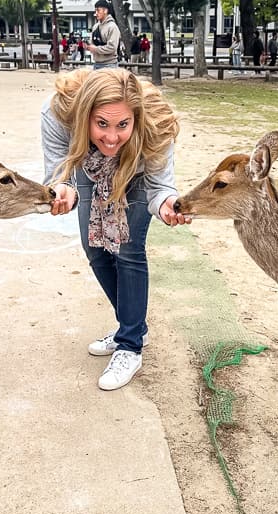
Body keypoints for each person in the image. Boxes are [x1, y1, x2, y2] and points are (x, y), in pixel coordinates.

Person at [40, 69, 191, 390]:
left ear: (135, 117)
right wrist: (61, 187)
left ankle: (130, 345)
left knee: (127, 250)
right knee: (94, 248)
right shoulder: (57, 114)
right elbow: (58, 171)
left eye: (122, 124)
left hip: (135, 171)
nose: (111, 136)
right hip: (89, 165)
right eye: (101, 124)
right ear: (83, 117)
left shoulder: (155, 122)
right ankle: (133, 325)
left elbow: (160, 185)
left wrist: (165, 202)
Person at [87, 0, 120, 69]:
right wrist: (88, 46)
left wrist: (96, 49)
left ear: (105, 11)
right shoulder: (95, 26)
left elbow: (112, 48)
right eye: (95, 11)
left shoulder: (112, 27)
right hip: (96, 64)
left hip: (109, 65)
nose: (96, 13)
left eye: (98, 10)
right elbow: (92, 43)